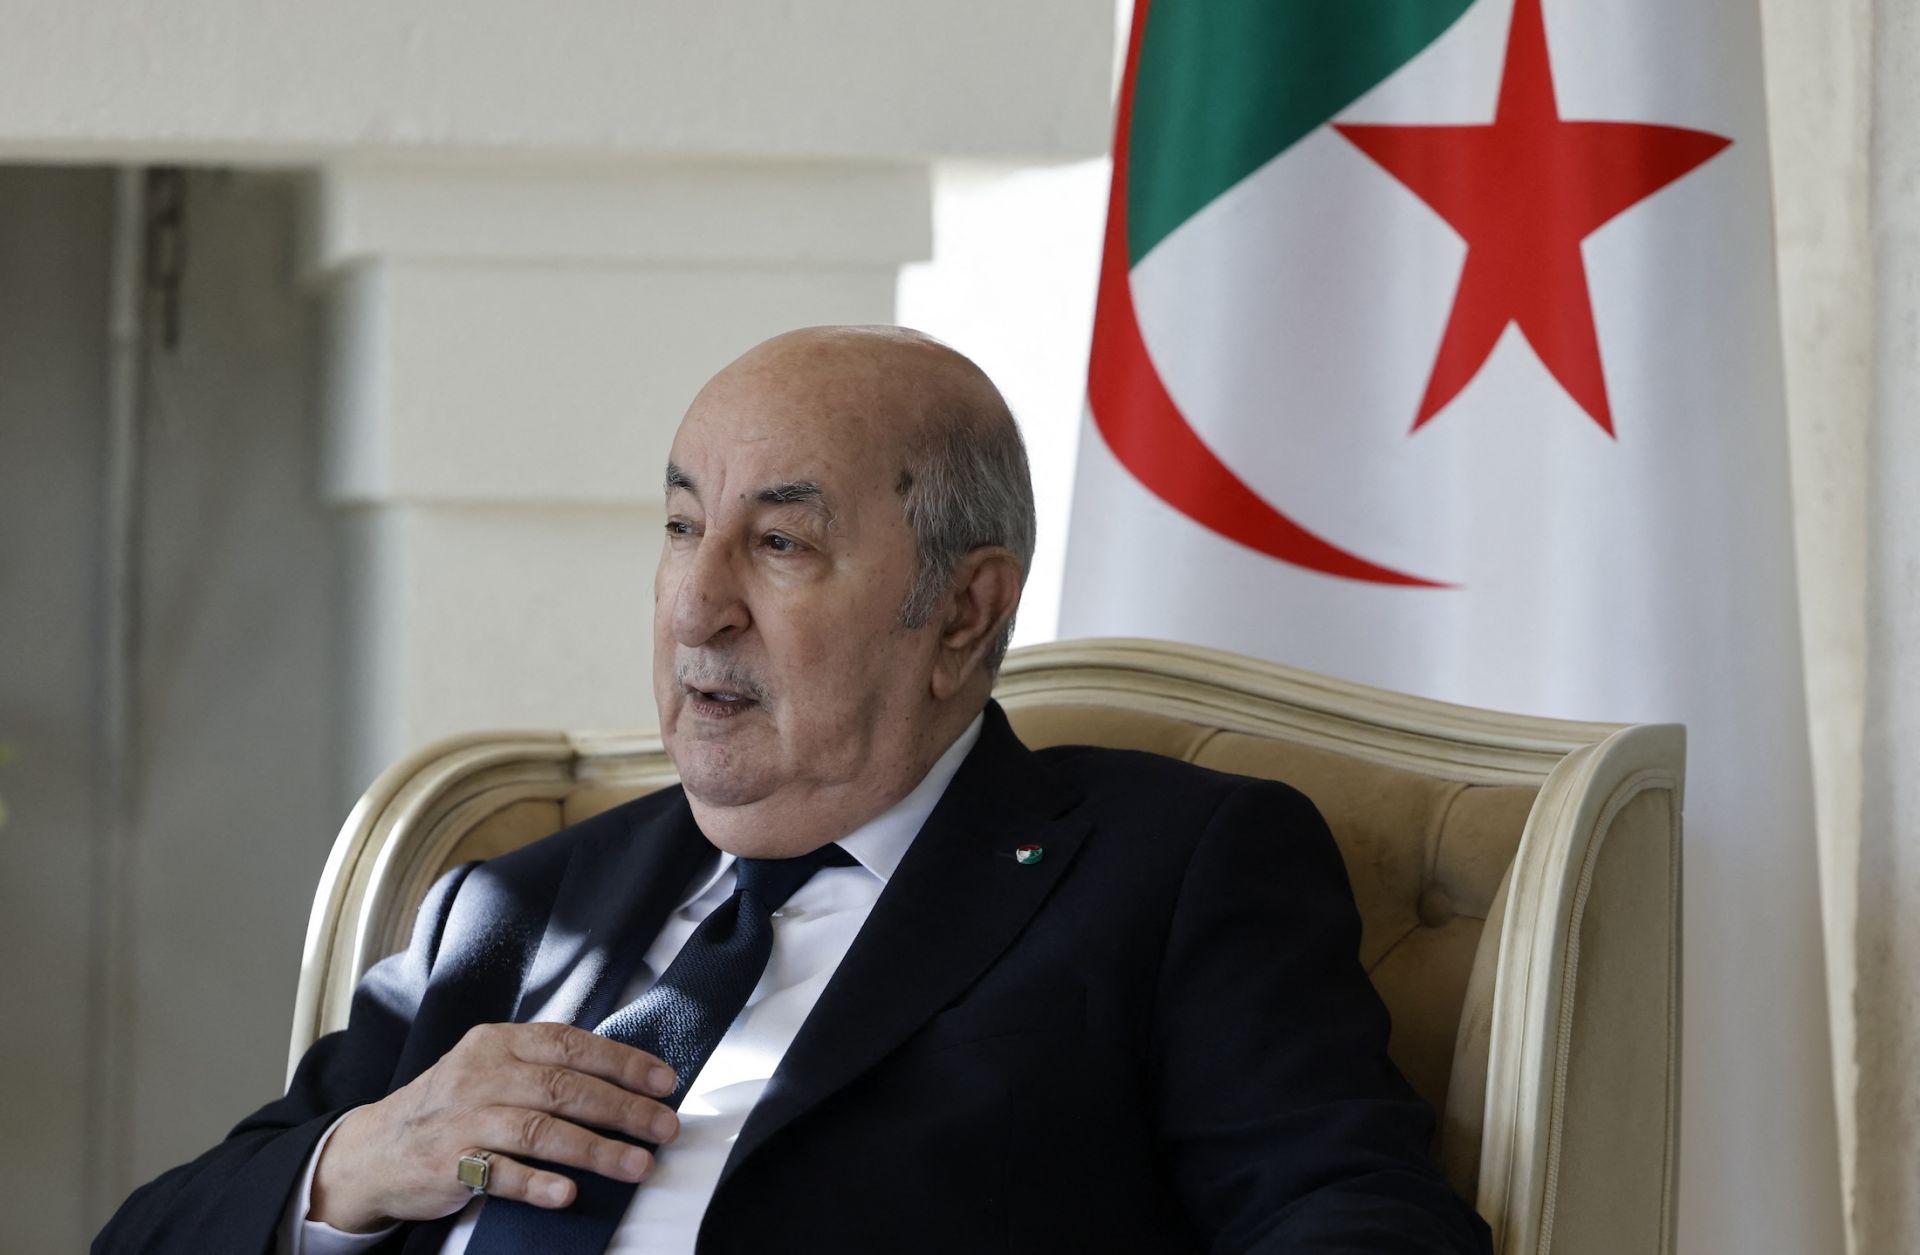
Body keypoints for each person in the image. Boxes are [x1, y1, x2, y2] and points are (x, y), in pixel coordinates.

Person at [96, 326, 1493, 1254]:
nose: (695, 608)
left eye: (777, 543)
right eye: (682, 527)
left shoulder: (1168, 870)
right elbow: (150, 1237)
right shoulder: (520, 906)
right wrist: (365, 1159)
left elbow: (1352, 1223)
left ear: (960, 612)